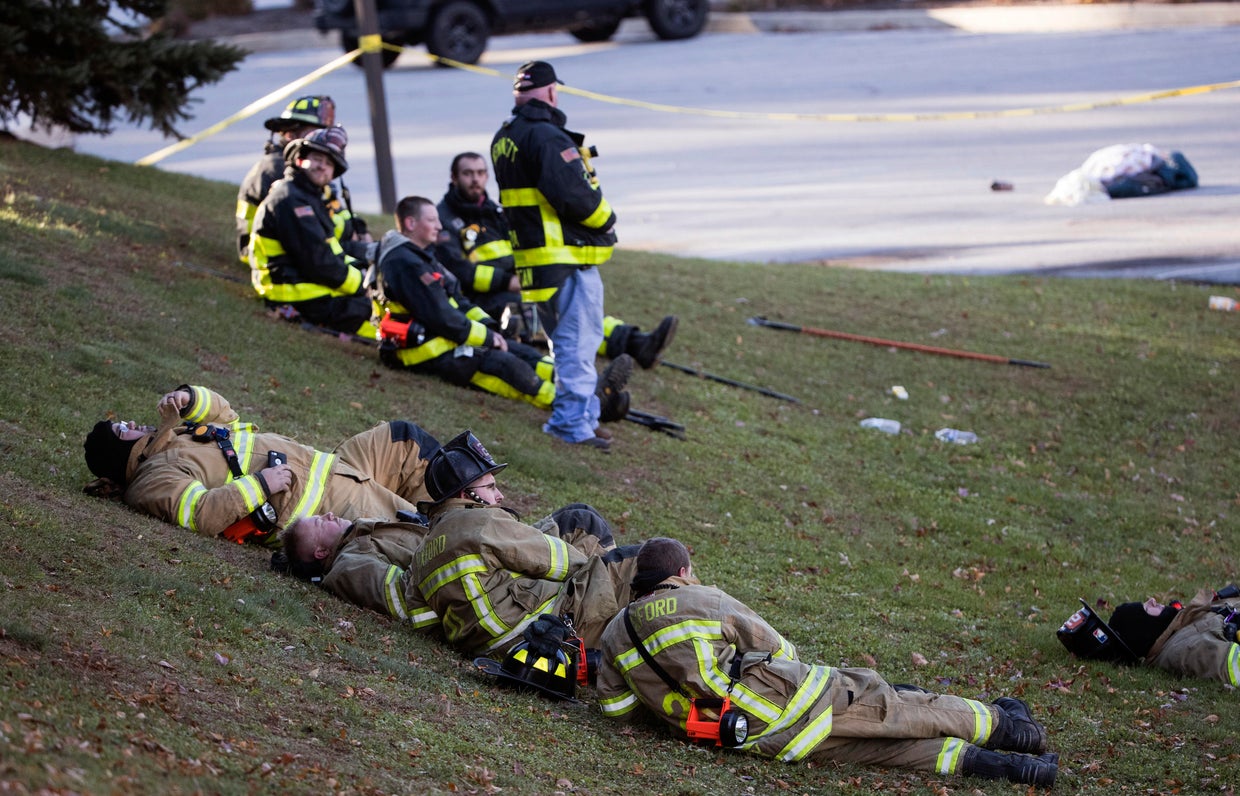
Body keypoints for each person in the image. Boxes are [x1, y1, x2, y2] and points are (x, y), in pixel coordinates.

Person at [594, 538, 1058, 788]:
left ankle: (1016, 771)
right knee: (891, 704)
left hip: (748, 739)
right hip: (787, 699)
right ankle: (1011, 728)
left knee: (884, 751)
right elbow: (780, 650)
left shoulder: (615, 631)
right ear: (681, 573)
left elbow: (617, 711)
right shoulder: (703, 599)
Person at [491, 60, 674, 451]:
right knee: (577, 345)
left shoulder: (505, 137)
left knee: (566, 345)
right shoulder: (547, 137)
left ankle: (584, 416)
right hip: (567, 259)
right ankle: (572, 425)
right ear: (552, 91)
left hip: (536, 264)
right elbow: (574, 195)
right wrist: (607, 219)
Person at [375, 195, 632, 426]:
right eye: (432, 220)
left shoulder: (419, 255)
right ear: (410, 224)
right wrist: (487, 339)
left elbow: (456, 302)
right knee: (506, 366)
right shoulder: (405, 263)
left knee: (524, 353)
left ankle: (585, 390)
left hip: (444, 340)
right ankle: (580, 407)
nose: (440, 226)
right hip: (423, 352)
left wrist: (490, 327)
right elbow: (443, 317)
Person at [82, 384, 440, 548]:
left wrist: (191, 398)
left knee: (403, 440)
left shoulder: (175, 437)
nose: (131, 424)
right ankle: (468, 532)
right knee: (419, 531)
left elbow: (229, 420)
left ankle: (472, 509)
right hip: (323, 505)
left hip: (334, 466)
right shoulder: (153, 478)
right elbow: (200, 514)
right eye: (121, 430)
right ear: (118, 455)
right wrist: (262, 484)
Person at [408, 430, 640, 656]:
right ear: (464, 495)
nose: (500, 496)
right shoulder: (481, 521)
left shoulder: (423, 551)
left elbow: (423, 621)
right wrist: (596, 575)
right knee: (637, 561)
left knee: (577, 518)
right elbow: (558, 562)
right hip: (541, 630)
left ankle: (608, 615)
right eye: (490, 487)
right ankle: (614, 626)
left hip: (485, 642)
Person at [435, 151, 675, 367]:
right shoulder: (444, 218)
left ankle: (636, 341)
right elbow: (461, 273)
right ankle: (634, 344)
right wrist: (508, 281)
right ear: (454, 178)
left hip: (524, 283)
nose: (475, 179)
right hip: (486, 299)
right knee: (551, 315)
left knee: (569, 302)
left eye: (480, 173)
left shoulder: (494, 211)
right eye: (467, 174)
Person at [249, 126, 376, 337]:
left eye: (328, 164)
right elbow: (319, 263)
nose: (322, 167)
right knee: (379, 320)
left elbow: (332, 252)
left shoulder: (310, 197)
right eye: (317, 159)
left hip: (312, 287)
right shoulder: (291, 200)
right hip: (298, 294)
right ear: (299, 159)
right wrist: (364, 286)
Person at [236, 96, 370, 265]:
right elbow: (312, 227)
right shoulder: (280, 170)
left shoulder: (307, 167)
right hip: (271, 255)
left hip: (305, 243)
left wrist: (358, 228)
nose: (322, 140)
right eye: (315, 133)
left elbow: (330, 207)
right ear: (291, 133)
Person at [1061, 587, 1239, 687]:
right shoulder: (1184, 650)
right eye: (1145, 609)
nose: (1152, 600)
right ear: (1145, 632)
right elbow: (1232, 667)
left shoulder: (1180, 626)